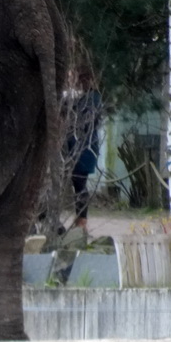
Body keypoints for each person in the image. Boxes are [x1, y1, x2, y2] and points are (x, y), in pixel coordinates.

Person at [63, 70, 102, 231]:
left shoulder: (92, 98)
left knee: (79, 183)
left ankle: (82, 221)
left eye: (73, 77)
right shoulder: (76, 98)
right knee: (74, 183)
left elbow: (84, 122)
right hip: (70, 146)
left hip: (84, 147)